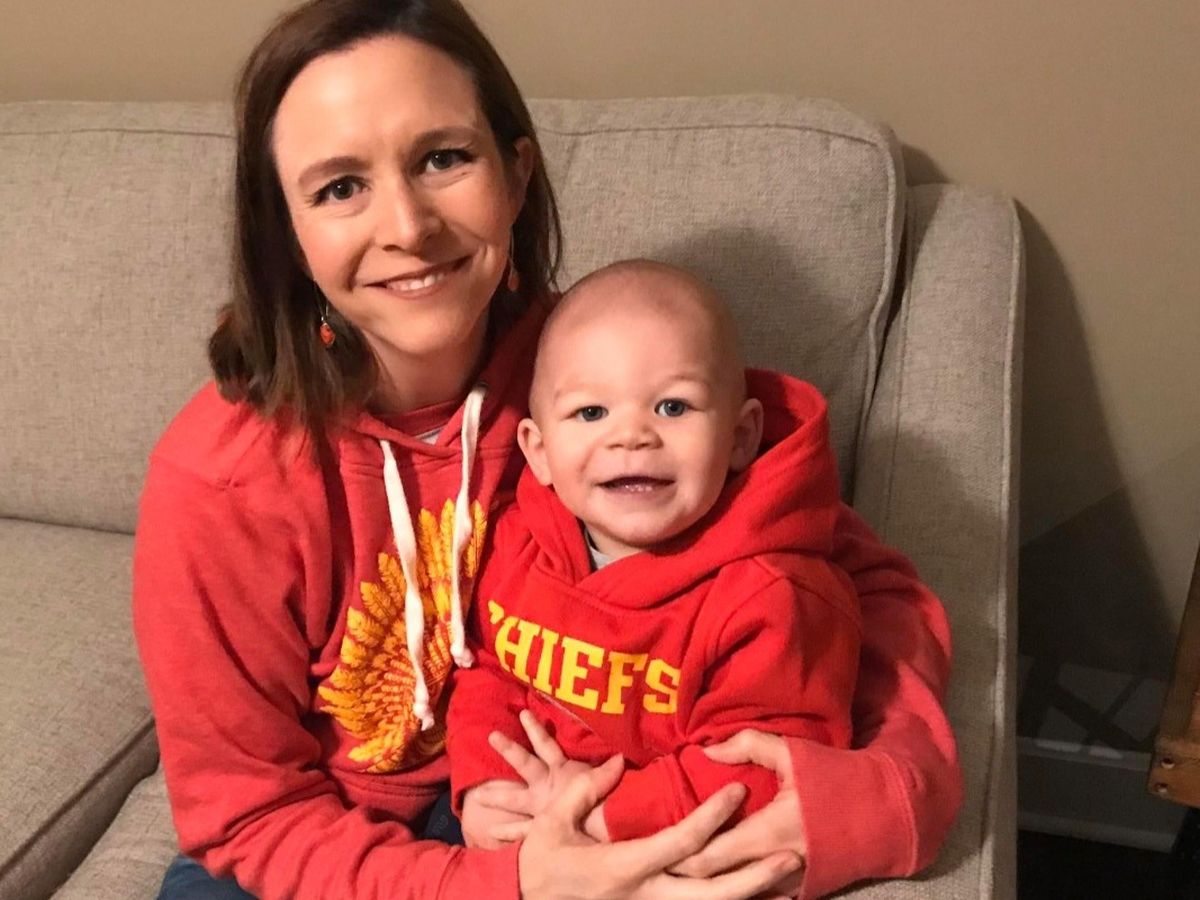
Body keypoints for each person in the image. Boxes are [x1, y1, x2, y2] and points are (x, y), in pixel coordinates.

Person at [132, 1, 961, 899]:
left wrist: (885, 792)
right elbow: (248, 815)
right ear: (286, 236)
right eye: (339, 188)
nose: (407, 226)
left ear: (516, 174)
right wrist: (515, 886)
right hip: (324, 846)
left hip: (550, 789)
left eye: (442, 159)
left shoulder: (600, 375)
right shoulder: (220, 481)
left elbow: (852, 580)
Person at [447, 259, 863, 848]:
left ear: (740, 436)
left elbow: (767, 767)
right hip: (521, 813)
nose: (631, 436)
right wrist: (485, 783)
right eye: (591, 412)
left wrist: (597, 812)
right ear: (539, 451)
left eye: (673, 407)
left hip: (655, 843)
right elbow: (488, 670)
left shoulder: (771, 599)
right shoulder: (518, 544)